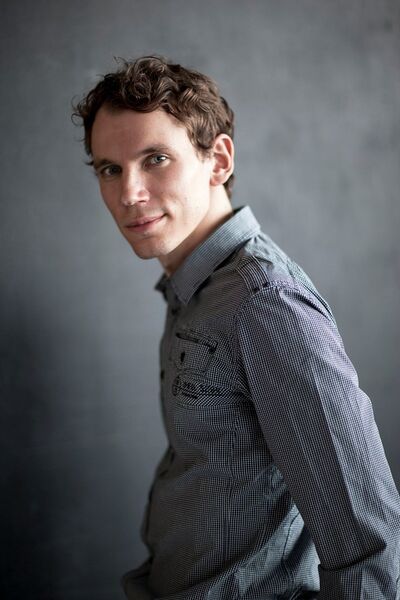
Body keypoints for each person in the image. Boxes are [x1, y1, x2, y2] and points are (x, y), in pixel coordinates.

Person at [73, 56, 400, 600]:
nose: (129, 193)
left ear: (218, 160)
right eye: (110, 169)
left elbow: (370, 546)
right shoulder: (195, 287)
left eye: (155, 159)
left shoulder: (264, 302)